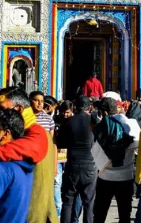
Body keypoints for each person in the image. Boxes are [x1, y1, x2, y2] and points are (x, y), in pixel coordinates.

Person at [92, 97, 140, 223]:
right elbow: (138, 148)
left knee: (100, 214)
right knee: (124, 215)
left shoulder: (100, 127)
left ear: (104, 112)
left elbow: (94, 153)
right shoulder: (131, 125)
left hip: (105, 177)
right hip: (126, 176)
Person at [57, 95, 97, 223]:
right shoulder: (94, 121)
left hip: (72, 165)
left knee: (68, 201)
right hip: (90, 165)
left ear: (74, 107)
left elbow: (60, 143)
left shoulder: (69, 122)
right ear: (89, 107)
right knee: (88, 203)